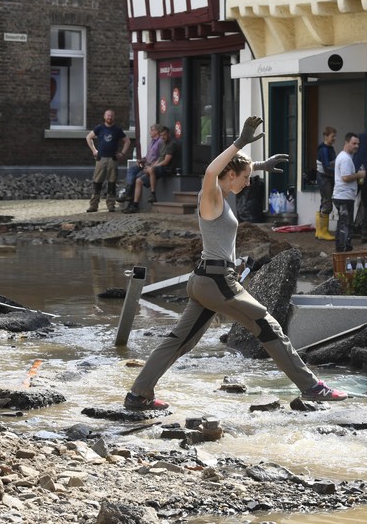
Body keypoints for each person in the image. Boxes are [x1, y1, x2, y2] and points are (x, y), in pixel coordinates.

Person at [123, 116, 347, 411]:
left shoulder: (224, 194)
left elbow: (235, 169)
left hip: (205, 281)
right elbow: (212, 170)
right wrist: (240, 142)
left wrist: (260, 165)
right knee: (268, 325)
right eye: (245, 177)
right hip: (218, 282)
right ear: (230, 175)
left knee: (179, 340)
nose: (248, 181)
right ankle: (311, 387)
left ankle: (138, 395)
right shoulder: (211, 195)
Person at [124, 126, 178, 213]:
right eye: (161, 135)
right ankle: (135, 205)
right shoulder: (162, 144)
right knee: (138, 180)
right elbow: (159, 159)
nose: (163, 137)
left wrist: (152, 167)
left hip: (167, 169)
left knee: (151, 170)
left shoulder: (172, 144)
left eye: (164, 135)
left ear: (168, 134)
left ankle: (153, 194)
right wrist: (152, 165)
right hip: (159, 167)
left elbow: (165, 162)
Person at [85, 109, 130, 213]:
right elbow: (88, 137)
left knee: (112, 183)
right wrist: (94, 150)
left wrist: (122, 153)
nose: (109, 117)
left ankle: (111, 205)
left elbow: (127, 141)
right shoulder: (99, 128)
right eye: (108, 116)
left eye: (111, 116)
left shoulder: (117, 129)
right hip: (100, 159)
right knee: (97, 182)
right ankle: (93, 205)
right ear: (104, 117)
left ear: (114, 117)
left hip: (112, 160)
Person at [333, 133, 366, 253]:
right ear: (346, 143)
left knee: (343, 221)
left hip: (343, 195)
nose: (356, 146)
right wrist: (359, 175)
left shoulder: (346, 157)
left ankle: (342, 245)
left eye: (358, 144)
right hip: (344, 196)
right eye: (354, 143)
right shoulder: (345, 159)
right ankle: (343, 247)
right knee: (345, 223)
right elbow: (346, 177)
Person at [122, 123, 163, 204]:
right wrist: (142, 160)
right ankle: (128, 192)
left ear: (157, 131)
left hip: (152, 167)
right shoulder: (152, 142)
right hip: (145, 164)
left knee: (136, 177)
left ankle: (131, 199)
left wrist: (152, 165)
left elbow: (161, 156)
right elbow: (148, 156)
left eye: (152, 130)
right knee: (132, 170)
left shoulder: (160, 142)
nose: (150, 132)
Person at [315, 126, 337, 241]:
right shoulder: (324, 150)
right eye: (332, 136)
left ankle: (319, 231)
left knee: (324, 201)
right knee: (327, 202)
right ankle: (323, 231)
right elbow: (327, 167)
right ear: (326, 136)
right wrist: (338, 172)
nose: (334, 138)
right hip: (324, 178)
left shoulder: (329, 148)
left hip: (326, 177)